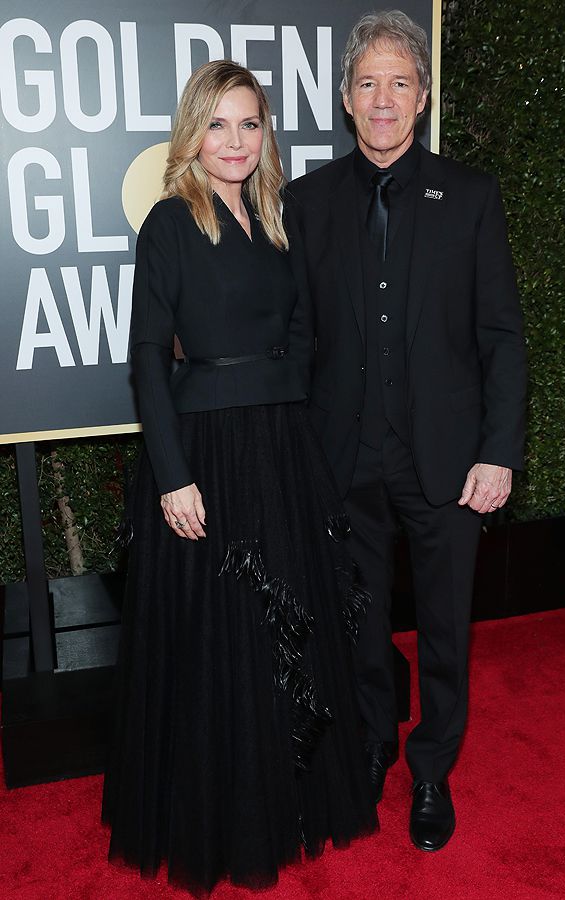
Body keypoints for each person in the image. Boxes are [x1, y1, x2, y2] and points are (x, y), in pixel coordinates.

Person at [102, 60, 377, 894]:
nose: (234, 140)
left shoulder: (277, 219)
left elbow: (303, 330)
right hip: (204, 455)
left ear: (266, 136)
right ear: (194, 132)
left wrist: (293, 418)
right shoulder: (168, 224)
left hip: (281, 445)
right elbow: (147, 356)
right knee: (216, 643)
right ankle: (222, 819)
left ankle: (290, 802)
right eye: (218, 124)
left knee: (283, 637)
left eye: (249, 124)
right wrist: (173, 474)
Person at [287, 10, 527, 852]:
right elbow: (297, 338)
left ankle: (431, 769)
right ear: (346, 100)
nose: (382, 98)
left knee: (445, 626)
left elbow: (500, 336)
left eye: (399, 81)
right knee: (352, 620)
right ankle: (370, 744)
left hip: (449, 464)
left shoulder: (470, 196)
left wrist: (499, 451)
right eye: (367, 83)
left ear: (421, 97)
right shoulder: (307, 202)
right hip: (341, 457)